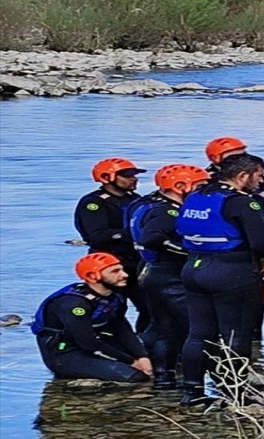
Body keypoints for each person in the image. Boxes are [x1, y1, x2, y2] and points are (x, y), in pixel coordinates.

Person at [176, 153, 264, 406]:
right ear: (243, 176)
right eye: (258, 176)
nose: (260, 182)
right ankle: (234, 393)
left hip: (193, 266)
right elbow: (260, 243)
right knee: (236, 335)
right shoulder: (241, 202)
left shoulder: (196, 196)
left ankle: (192, 391)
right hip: (231, 270)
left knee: (198, 334)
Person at [128, 164, 210, 390]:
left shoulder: (149, 204)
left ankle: (164, 378)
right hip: (169, 275)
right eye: (201, 186)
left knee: (166, 329)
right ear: (180, 186)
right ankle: (201, 383)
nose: (204, 191)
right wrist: (189, 251)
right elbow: (152, 238)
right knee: (195, 329)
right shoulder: (167, 211)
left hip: (154, 272)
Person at [32, 254, 152, 382]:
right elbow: (88, 343)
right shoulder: (75, 304)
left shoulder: (114, 297)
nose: (124, 275)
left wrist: (142, 356)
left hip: (98, 342)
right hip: (65, 352)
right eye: (115, 272)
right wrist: (131, 361)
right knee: (135, 377)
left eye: (121, 269)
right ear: (92, 277)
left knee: (159, 356)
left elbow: (121, 329)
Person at [75, 157, 149, 337]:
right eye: (127, 175)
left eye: (134, 175)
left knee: (150, 308)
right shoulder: (94, 203)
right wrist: (131, 233)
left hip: (136, 262)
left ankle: (144, 345)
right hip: (109, 265)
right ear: (107, 177)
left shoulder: (134, 199)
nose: (133, 179)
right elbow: (97, 237)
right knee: (113, 310)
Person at [204, 136, 264, 210]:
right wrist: (260, 199)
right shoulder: (208, 178)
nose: (241, 160)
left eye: (244, 155)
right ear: (216, 159)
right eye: (234, 157)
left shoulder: (252, 174)